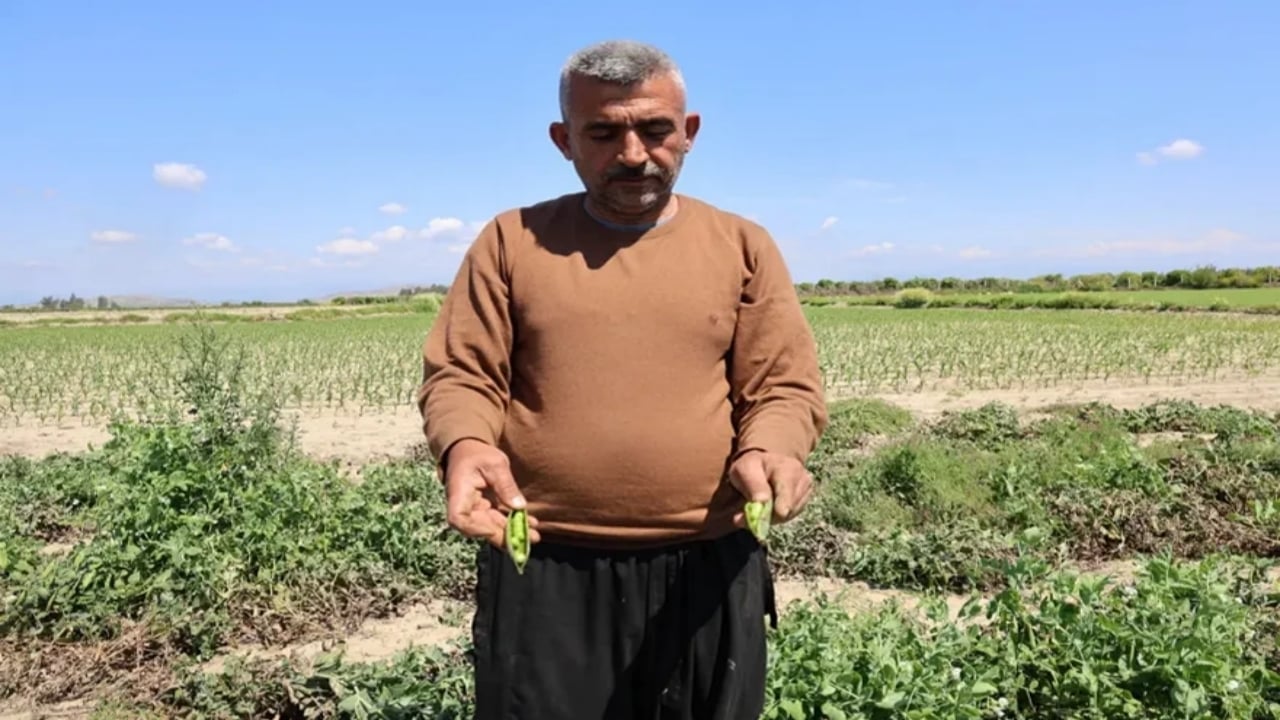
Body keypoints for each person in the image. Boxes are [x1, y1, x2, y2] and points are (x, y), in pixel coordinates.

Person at [416, 39, 828, 720]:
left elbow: (781, 385)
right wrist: (464, 447)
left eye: (654, 129)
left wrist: (774, 449)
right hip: (546, 566)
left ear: (689, 132)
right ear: (563, 140)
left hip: (707, 564)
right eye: (603, 132)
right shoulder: (512, 241)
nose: (633, 153)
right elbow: (463, 375)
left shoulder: (742, 244)